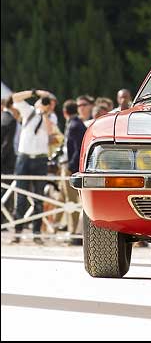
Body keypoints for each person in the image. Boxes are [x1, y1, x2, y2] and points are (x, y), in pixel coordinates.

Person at [11, 89, 56, 243]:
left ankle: (36, 233)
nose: (45, 103)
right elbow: (14, 98)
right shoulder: (28, 111)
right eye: (44, 101)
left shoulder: (51, 117)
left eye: (47, 102)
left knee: (38, 197)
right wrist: (34, 92)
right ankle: (17, 232)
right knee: (20, 195)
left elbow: (50, 131)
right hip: (24, 158)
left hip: (40, 159)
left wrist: (44, 113)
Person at [58, 100, 86, 244]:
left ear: (64, 112)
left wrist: (70, 166)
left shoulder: (74, 125)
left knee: (72, 202)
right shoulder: (77, 123)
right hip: (68, 166)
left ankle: (74, 233)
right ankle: (63, 229)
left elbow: (76, 149)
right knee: (64, 199)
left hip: (70, 168)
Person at [1, 96, 20, 211]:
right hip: (6, 161)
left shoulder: (3, 118)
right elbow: (7, 144)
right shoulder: (11, 120)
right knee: (6, 189)